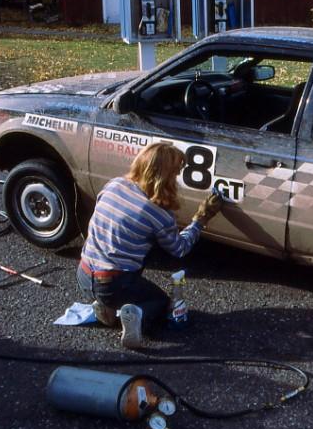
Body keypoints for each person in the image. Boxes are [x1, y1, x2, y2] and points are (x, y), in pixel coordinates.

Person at [77, 142, 223, 349]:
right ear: (165, 177)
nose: (177, 179)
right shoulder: (157, 213)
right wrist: (201, 218)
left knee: (130, 248)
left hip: (84, 273)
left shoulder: (114, 184)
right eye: (175, 174)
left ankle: (106, 307)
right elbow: (179, 248)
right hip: (113, 284)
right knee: (160, 303)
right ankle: (138, 318)